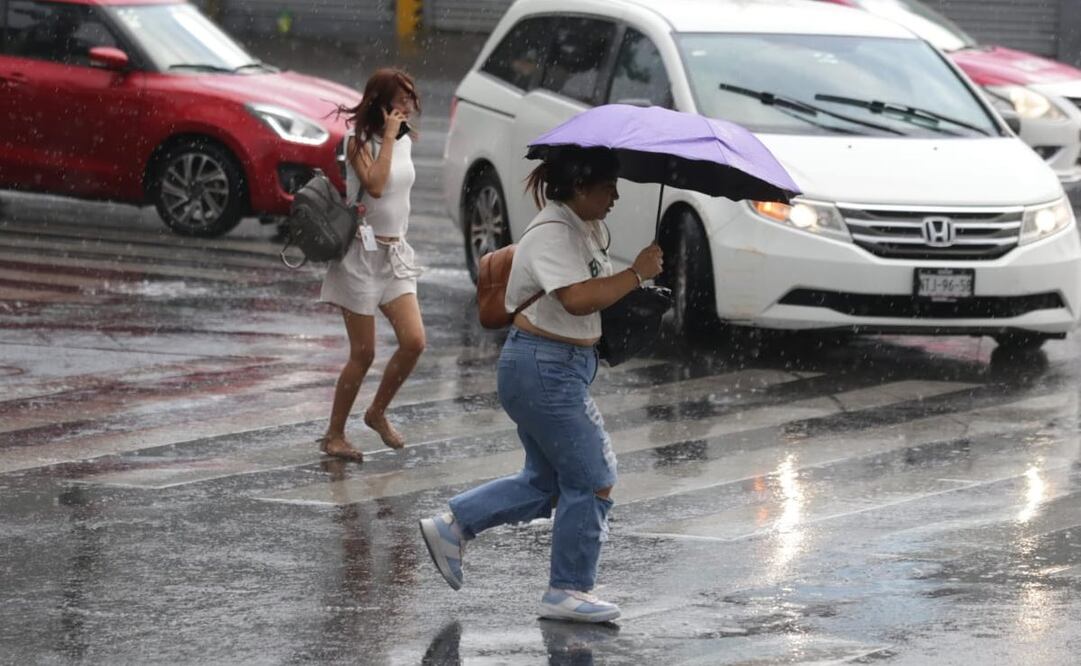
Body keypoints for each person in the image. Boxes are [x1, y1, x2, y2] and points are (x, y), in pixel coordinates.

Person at [420, 147, 664, 622]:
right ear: (578, 187)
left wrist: (637, 288)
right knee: (594, 478)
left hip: (558, 367)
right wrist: (635, 274)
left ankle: (454, 526)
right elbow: (576, 299)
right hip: (544, 368)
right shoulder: (553, 232)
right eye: (608, 186)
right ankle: (567, 589)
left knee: (548, 481)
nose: (616, 195)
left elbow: (592, 293)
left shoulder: (585, 227)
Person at [318, 69, 425, 462]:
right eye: (402, 99)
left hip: (395, 255)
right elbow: (377, 186)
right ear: (381, 104)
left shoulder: (405, 141)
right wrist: (389, 142)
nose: (409, 106)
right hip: (360, 258)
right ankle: (334, 435)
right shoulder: (358, 143)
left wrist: (398, 139)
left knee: (414, 342)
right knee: (363, 353)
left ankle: (377, 411)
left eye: (411, 98)